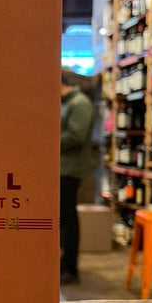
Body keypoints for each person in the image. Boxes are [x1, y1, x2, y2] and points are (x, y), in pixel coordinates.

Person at [60, 68, 94, 285]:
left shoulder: (79, 103)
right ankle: (63, 264)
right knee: (63, 218)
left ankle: (70, 268)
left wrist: (44, 139)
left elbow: (76, 136)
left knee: (68, 218)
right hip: (62, 168)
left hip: (69, 170)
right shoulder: (66, 103)